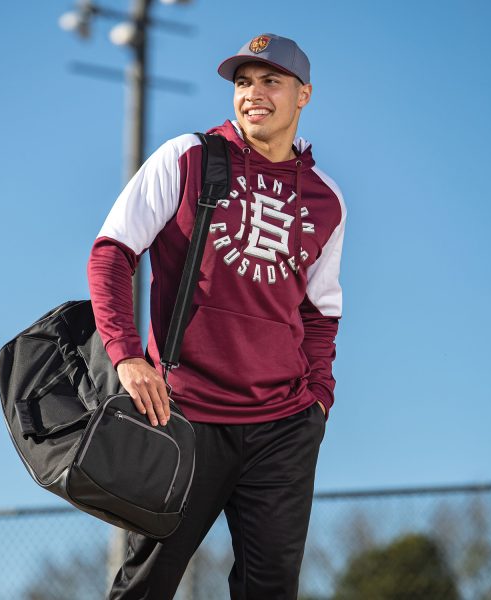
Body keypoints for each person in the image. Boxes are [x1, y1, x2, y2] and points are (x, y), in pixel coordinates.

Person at [87, 33, 347, 600]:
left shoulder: (327, 200)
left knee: (270, 590)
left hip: (283, 425)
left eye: (270, 81)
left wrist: (318, 398)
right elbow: (112, 252)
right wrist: (128, 355)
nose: (253, 94)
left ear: (303, 95)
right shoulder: (190, 156)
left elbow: (320, 312)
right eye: (243, 82)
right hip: (184, 415)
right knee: (146, 585)